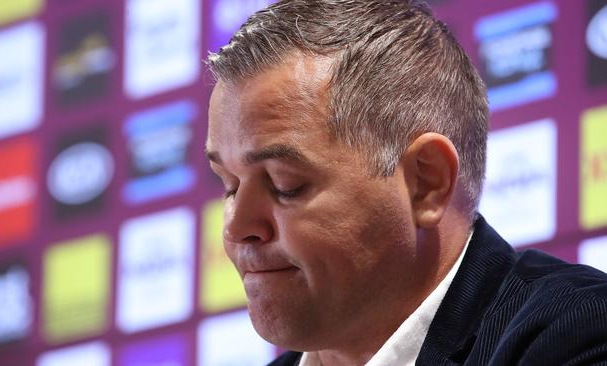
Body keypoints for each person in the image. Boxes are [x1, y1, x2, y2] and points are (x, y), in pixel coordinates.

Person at [204, 0, 607, 365]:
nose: (236, 228)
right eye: (229, 185)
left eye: (283, 183)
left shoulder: (578, 338)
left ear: (425, 182)